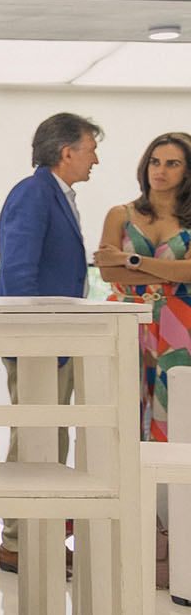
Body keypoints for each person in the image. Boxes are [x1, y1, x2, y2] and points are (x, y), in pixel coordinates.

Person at [0, 111, 101, 572]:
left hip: (54, 338)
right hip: (38, 340)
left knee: (49, 437)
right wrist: (36, 339)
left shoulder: (54, 193)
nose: (96, 160)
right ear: (67, 151)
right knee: (34, 436)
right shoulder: (34, 193)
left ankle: (39, 536)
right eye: (91, 149)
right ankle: (18, 542)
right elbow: (20, 272)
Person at [93, 131, 191, 441]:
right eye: (155, 162)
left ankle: (172, 488)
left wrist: (130, 261)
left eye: (172, 163)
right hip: (125, 315)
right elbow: (108, 272)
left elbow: (188, 273)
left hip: (180, 321)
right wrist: (167, 272)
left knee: (176, 406)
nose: (160, 171)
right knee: (121, 402)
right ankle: (125, 485)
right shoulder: (120, 214)